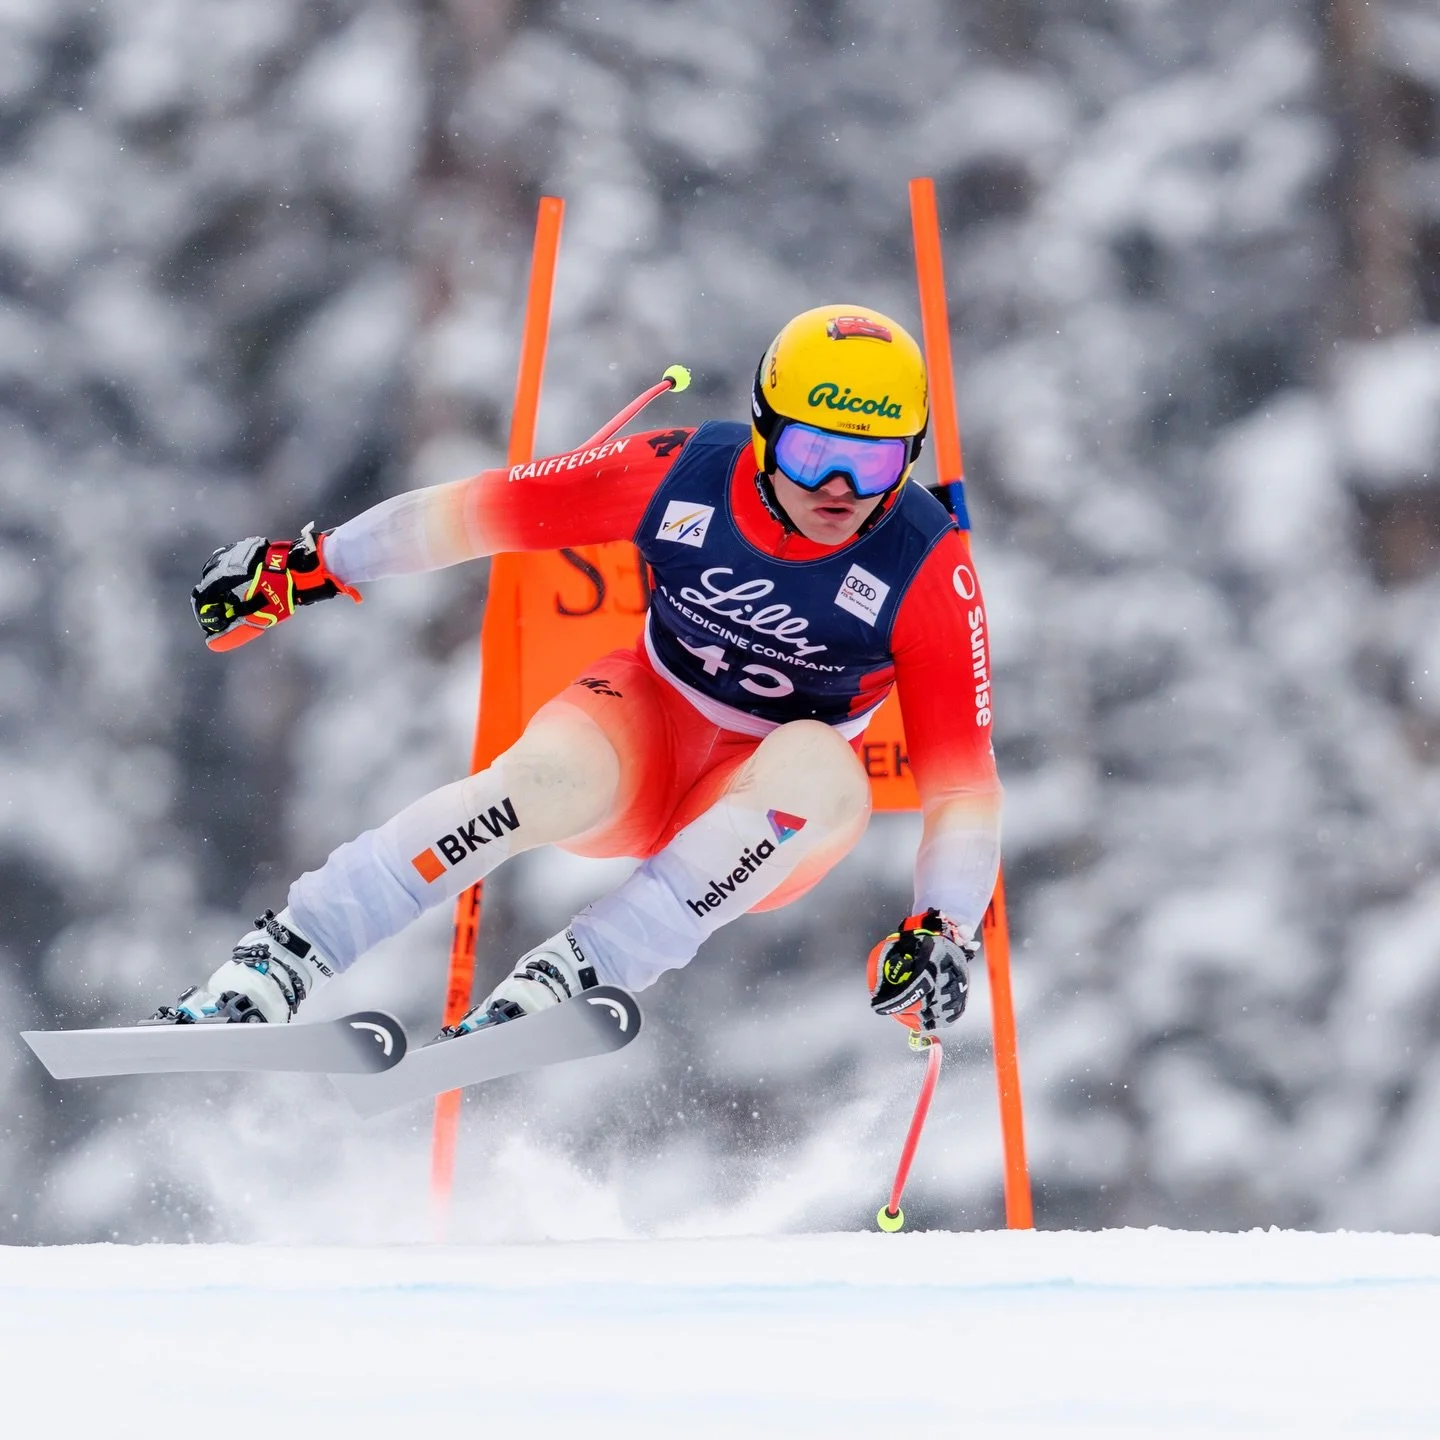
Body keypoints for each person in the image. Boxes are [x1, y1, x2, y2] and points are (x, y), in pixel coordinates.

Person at [163, 304, 1002, 1040]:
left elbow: (963, 786)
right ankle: (284, 959)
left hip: (768, 815)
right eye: (816, 452)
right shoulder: (682, 471)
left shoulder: (927, 564)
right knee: (538, 780)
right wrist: (313, 565)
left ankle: (578, 972)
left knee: (821, 764)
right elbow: (475, 512)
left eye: (878, 462)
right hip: (645, 729)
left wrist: (941, 931)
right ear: (762, 430)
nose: (843, 489)